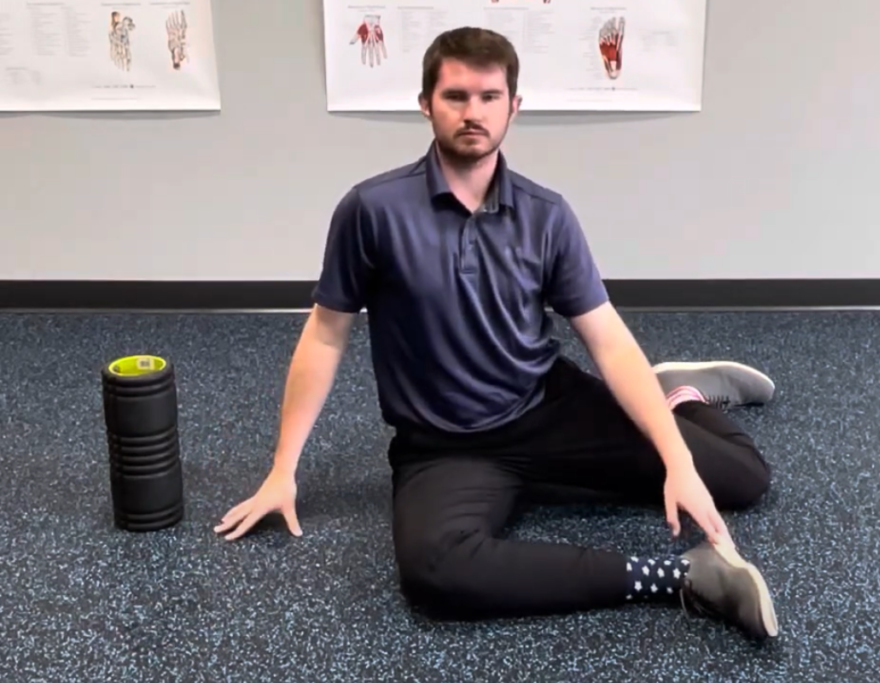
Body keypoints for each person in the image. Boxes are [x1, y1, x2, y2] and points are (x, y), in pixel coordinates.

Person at [215, 27, 780, 640]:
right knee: (436, 573)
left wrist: (676, 458)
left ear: (514, 106)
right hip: (444, 445)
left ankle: (678, 397)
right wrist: (282, 469)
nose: (472, 113)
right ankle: (682, 578)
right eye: (456, 96)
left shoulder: (547, 215)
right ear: (426, 102)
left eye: (489, 97)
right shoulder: (372, 211)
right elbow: (325, 336)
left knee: (742, 480)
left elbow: (607, 338)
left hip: (545, 408)